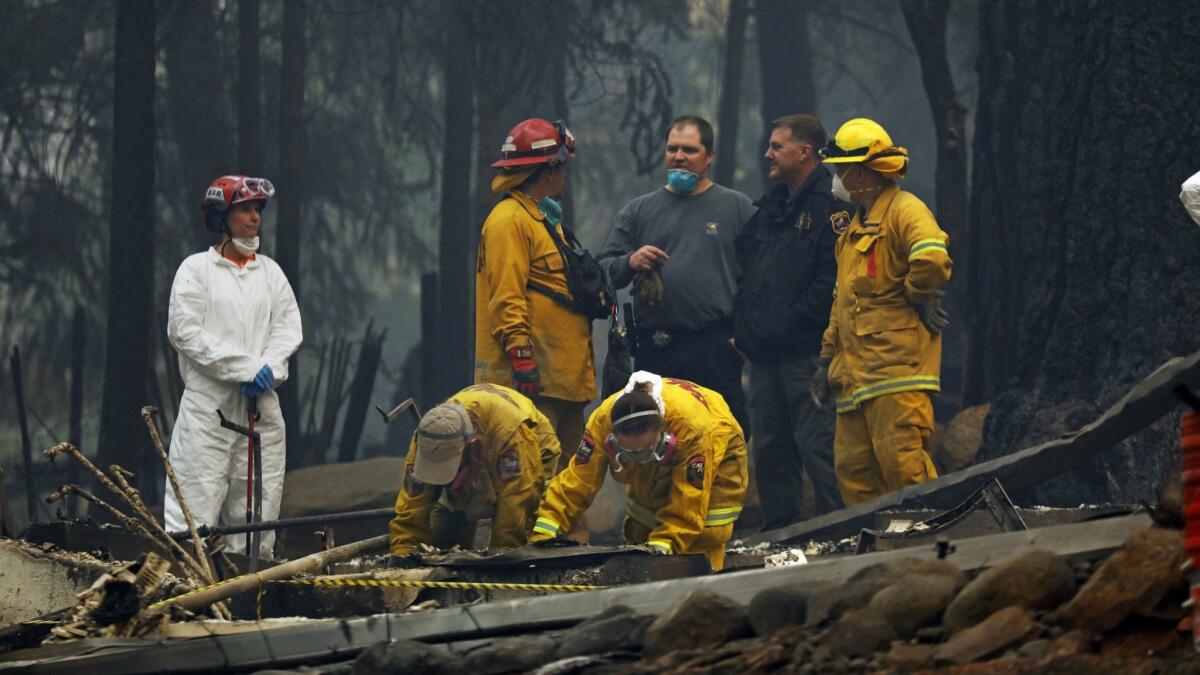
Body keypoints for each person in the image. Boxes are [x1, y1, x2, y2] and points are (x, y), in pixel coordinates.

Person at [810, 118, 952, 506]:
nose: (836, 177)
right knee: (855, 478)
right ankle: (876, 559)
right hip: (854, 382)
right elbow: (840, 305)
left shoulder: (905, 210)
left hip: (896, 376)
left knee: (904, 470)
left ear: (860, 171)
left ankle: (926, 555)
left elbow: (932, 259)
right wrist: (826, 360)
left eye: (841, 168)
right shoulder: (852, 232)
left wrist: (917, 293)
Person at [165, 175, 302, 559]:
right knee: (193, 508)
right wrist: (244, 368)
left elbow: (288, 328)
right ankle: (187, 597)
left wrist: (270, 370)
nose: (254, 217)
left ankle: (250, 599)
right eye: (245, 209)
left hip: (260, 408)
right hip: (209, 410)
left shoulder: (271, 274)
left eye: (258, 209)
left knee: (259, 511)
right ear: (222, 216)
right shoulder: (196, 271)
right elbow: (186, 333)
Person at [596, 116, 755, 432]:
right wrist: (630, 261)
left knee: (722, 436)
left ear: (709, 156)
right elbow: (601, 272)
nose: (679, 156)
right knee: (658, 440)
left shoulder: (737, 208)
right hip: (657, 350)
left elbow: (760, 274)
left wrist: (746, 332)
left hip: (716, 346)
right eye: (672, 149)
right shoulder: (639, 210)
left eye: (690, 149)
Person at [733, 115, 848, 528]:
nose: (768, 154)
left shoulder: (833, 208)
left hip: (807, 356)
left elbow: (830, 282)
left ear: (805, 153)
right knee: (769, 448)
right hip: (764, 358)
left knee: (818, 445)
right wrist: (743, 328)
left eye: (777, 147)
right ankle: (781, 535)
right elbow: (748, 271)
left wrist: (788, 327)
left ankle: (841, 531)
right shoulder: (772, 207)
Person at [529, 371, 748, 571]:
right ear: (613, 437)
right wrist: (545, 531)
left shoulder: (694, 431)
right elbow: (577, 480)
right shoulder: (602, 421)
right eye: (630, 454)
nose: (640, 461)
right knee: (641, 526)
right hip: (672, 439)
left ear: (662, 433)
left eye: (644, 452)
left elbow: (689, 501)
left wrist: (662, 549)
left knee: (700, 538)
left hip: (718, 442)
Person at [475, 118, 597, 471]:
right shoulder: (508, 222)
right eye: (563, 167)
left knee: (567, 483)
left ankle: (566, 531)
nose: (565, 176)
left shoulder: (543, 220)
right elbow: (506, 297)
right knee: (530, 482)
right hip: (532, 385)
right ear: (549, 169)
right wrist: (522, 359)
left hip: (562, 382)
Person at [389, 384, 561, 559]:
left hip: (532, 443)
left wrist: (498, 564)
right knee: (442, 529)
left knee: (520, 526)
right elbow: (410, 513)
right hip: (479, 448)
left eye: (446, 471)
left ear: (472, 449)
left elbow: (512, 517)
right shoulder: (426, 439)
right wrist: (403, 558)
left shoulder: (512, 438)